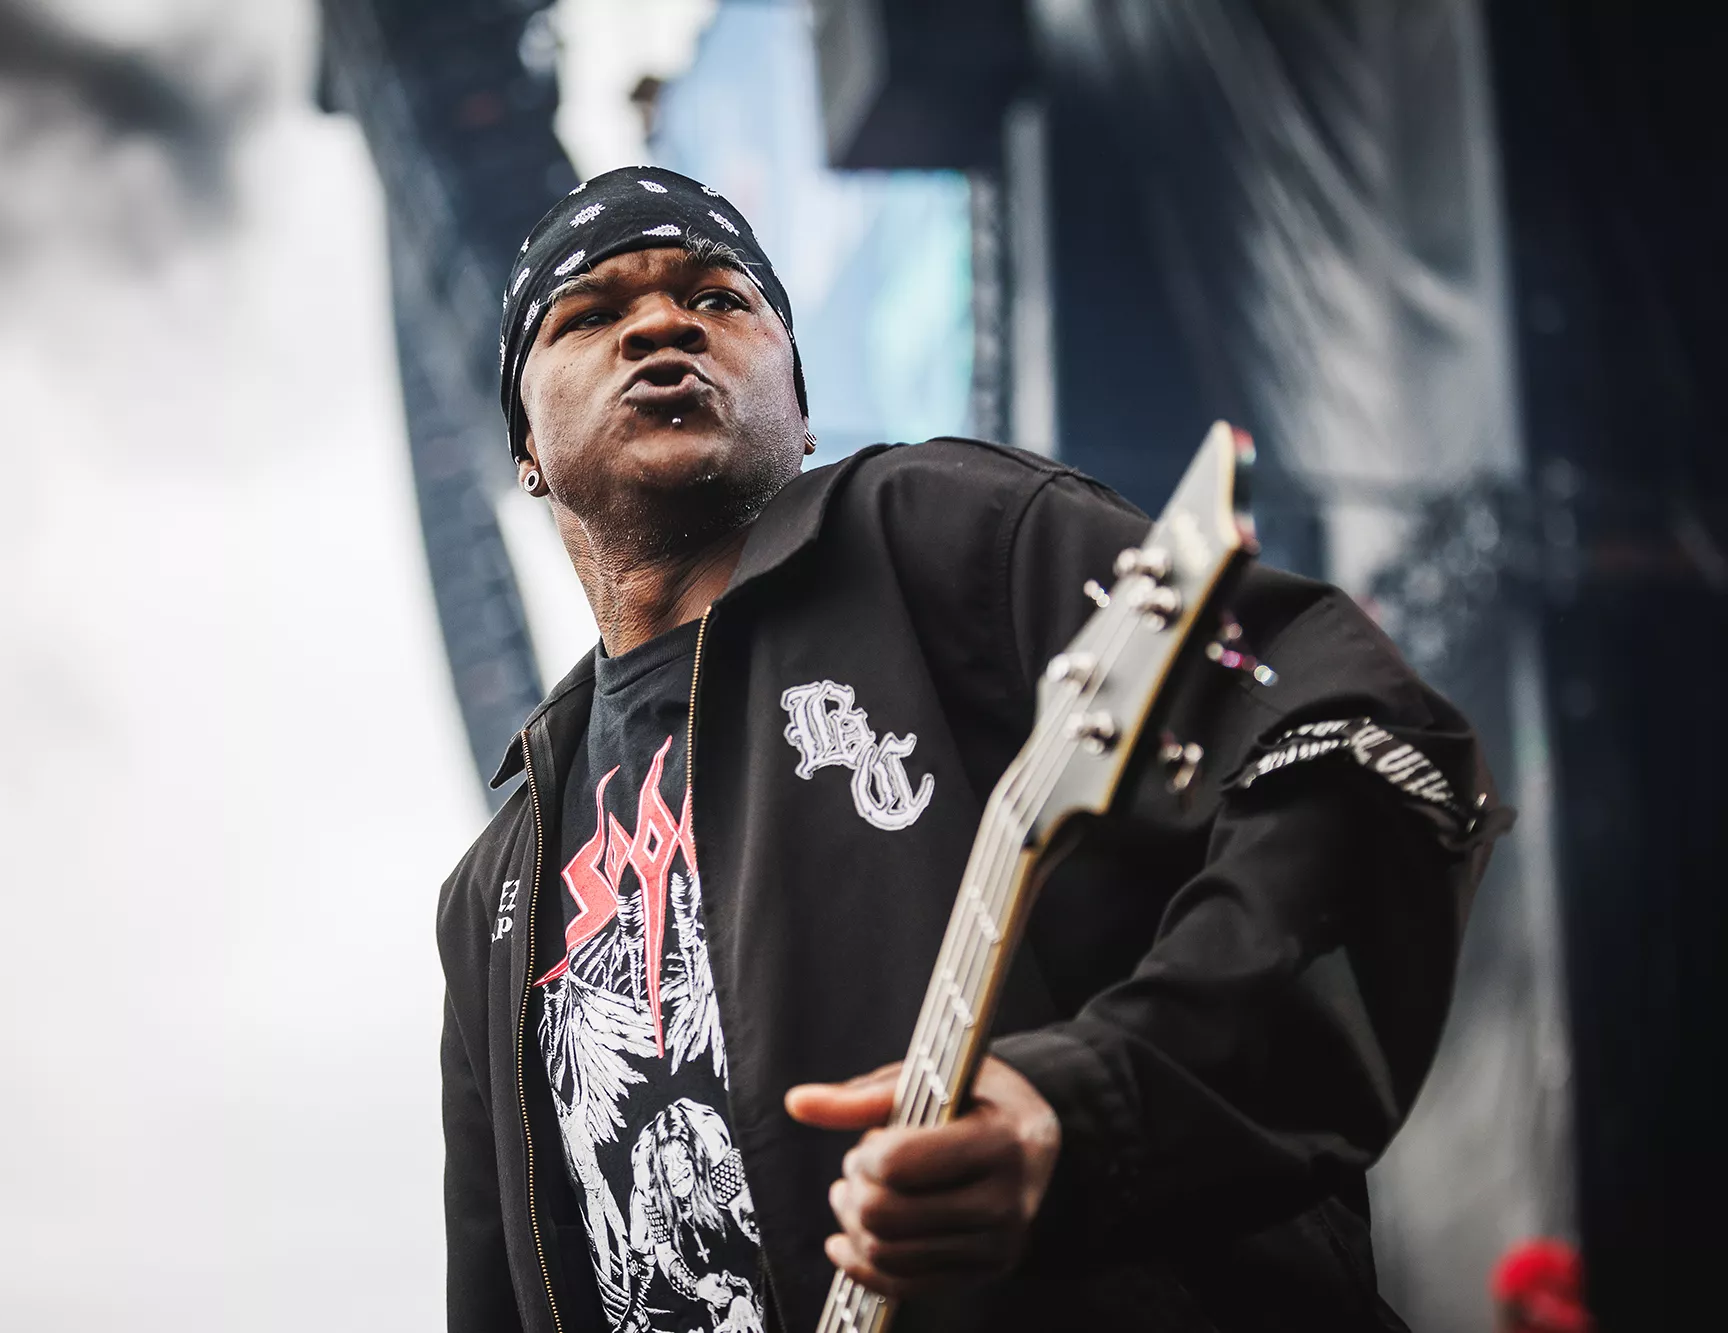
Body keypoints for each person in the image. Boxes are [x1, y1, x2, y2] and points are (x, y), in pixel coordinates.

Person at [436, 168, 1508, 1333]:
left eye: (718, 298)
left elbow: (1364, 742)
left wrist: (1088, 1109)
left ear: (798, 405)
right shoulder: (494, 892)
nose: (661, 324)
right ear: (524, 446)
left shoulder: (937, 534)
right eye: (590, 313)